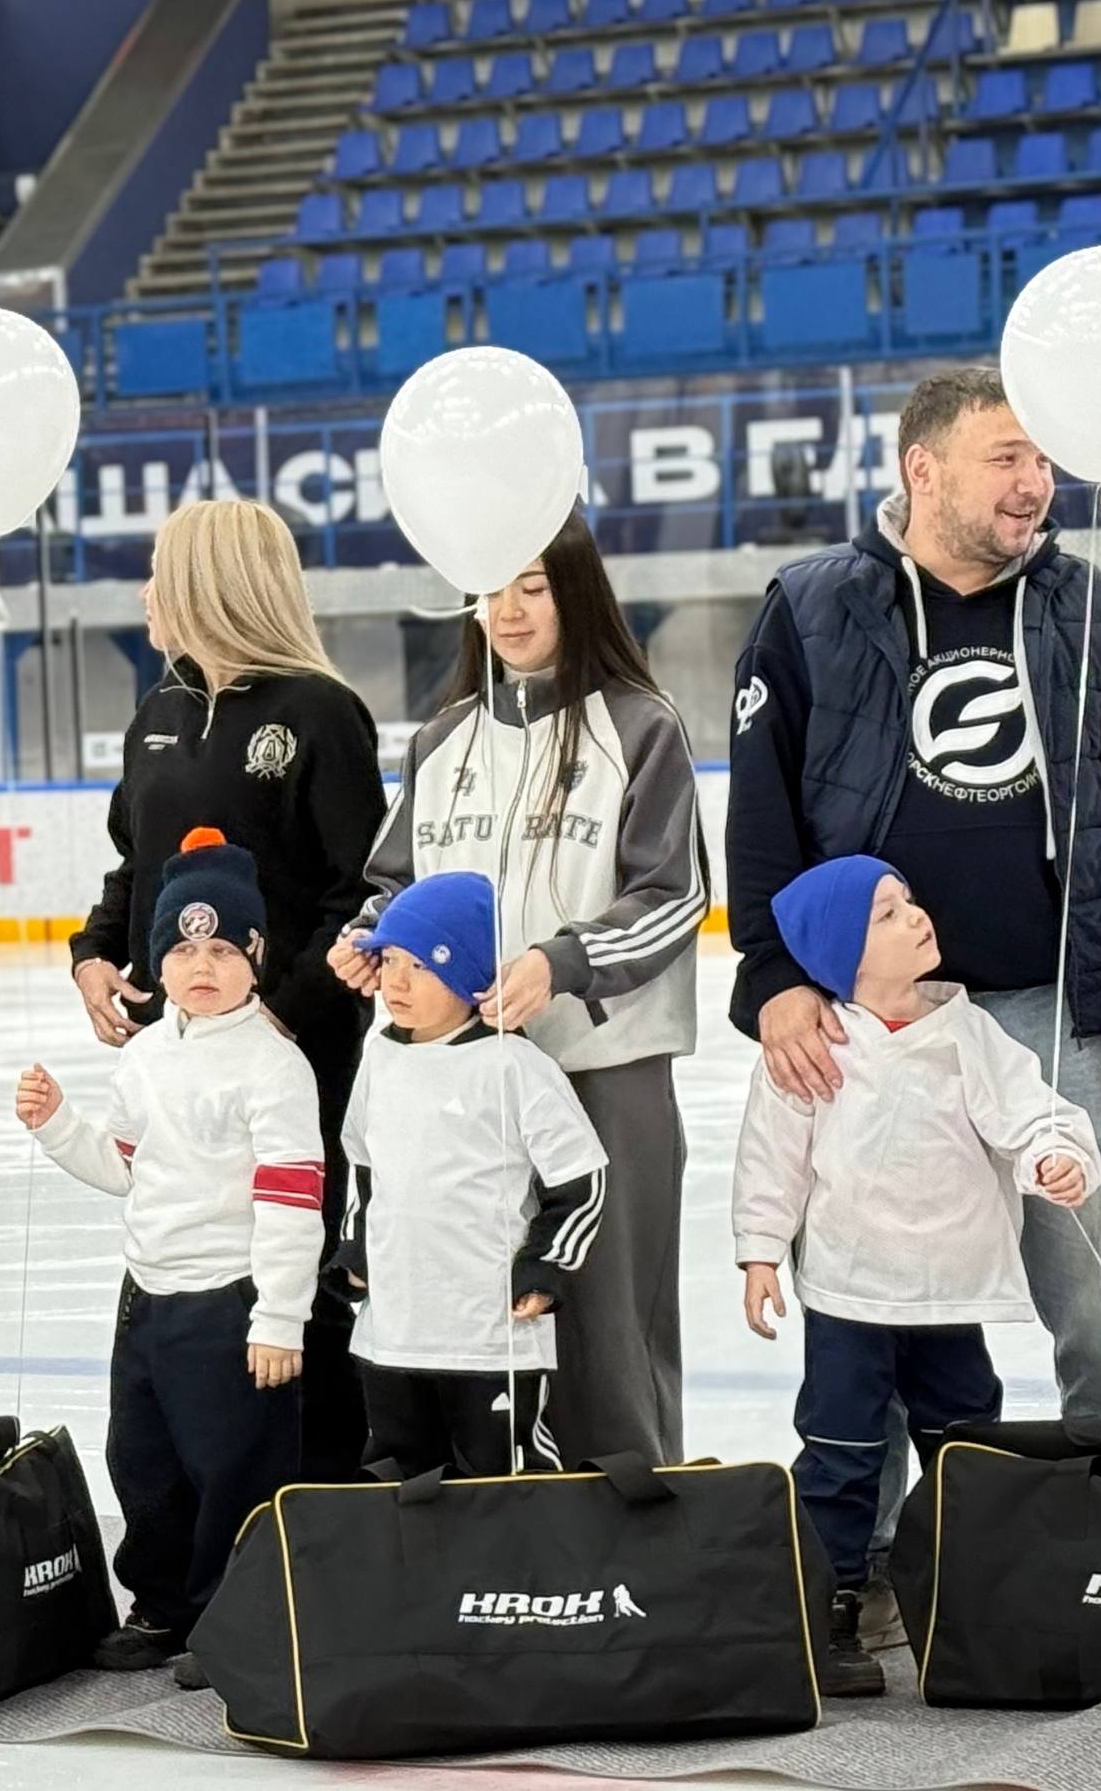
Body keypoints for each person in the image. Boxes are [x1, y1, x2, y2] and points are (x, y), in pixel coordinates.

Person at [727, 366, 1101, 1426]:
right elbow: (759, 820)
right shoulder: (810, 608)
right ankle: (879, 1562)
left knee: (1100, 1302)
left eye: (1042, 460)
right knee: (878, 1312)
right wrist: (773, 980)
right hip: (875, 1026)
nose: (1036, 483)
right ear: (921, 469)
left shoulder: (1084, 608)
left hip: (1060, 1005)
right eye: (1006, 459)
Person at [333, 512, 706, 1465]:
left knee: (607, 1330)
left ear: (575, 591)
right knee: (481, 1321)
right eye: (492, 587)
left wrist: (561, 964)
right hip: (461, 1087)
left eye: (532, 586)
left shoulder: (640, 723)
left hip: (600, 1071)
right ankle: (499, 1544)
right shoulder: (443, 740)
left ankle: (632, 1534)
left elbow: (675, 899)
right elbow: (391, 885)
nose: (506, 609)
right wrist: (369, 940)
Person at [69, 498, 385, 1480]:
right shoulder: (156, 716)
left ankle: (313, 1511)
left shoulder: (318, 713)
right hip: (180, 1055)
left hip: (297, 1056)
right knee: (189, 1274)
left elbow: (360, 891)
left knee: (293, 1279)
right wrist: (93, 951)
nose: (145, 593)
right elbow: (136, 866)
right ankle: (197, 1534)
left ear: (210, 582)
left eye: (161, 570)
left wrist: (280, 1015)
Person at [734, 855, 1100, 1697]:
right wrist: (760, 1249)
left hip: (949, 1293)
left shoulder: (966, 1033)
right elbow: (772, 1162)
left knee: (965, 1452)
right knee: (840, 1456)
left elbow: (1034, 1111)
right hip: (847, 1297)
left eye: (908, 901)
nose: (917, 916)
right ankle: (827, 1611)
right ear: (838, 957)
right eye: (888, 914)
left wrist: (1058, 1155)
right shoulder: (816, 1048)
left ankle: (971, 1607)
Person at [16, 829, 323, 1682]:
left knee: (234, 1471)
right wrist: (56, 1127)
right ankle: (163, 1607)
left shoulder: (274, 1064)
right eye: (184, 948)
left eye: (223, 947)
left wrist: (279, 1317)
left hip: (231, 1303)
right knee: (142, 1462)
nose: (202, 965)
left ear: (256, 958)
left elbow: (292, 1202)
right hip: (145, 1298)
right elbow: (123, 1165)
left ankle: (239, 1618)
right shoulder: (148, 1054)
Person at [341, 872, 608, 1479]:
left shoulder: (513, 1065)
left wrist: (545, 1266)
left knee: (505, 1484)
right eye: (389, 961)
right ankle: (413, 1579)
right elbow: (363, 1166)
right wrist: (356, 1249)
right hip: (394, 1335)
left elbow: (581, 1182)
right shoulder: (378, 1057)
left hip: (492, 1341)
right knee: (396, 1483)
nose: (396, 981)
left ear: (466, 974)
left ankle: (518, 1578)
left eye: (422, 966)